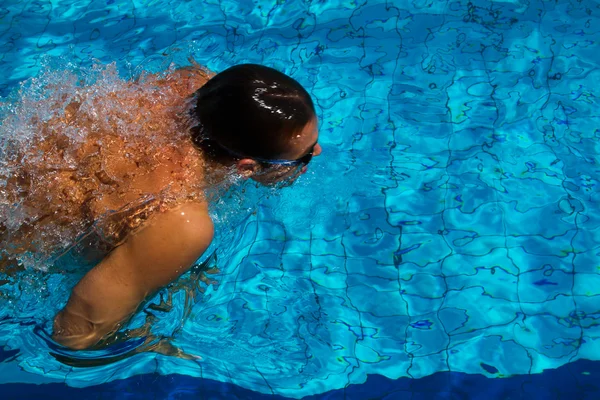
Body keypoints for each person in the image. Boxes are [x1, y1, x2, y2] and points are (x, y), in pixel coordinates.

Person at [0, 63, 321, 350]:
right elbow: (72, 334)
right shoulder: (181, 222)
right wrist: (141, 341)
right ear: (247, 167)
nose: (317, 152)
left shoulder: (189, 85)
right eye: (302, 156)